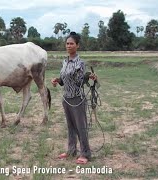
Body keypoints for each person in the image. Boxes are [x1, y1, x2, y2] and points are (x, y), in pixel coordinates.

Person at [51, 32, 97, 164]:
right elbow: (65, 80)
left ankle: (85, 153)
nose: (69, 46)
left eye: (72, 43)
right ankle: (71, 150)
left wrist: (88, 76)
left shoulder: (80, 63)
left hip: (77, 99)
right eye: (67, 43)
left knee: (81, 127)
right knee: (70, 126)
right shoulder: (64, 62)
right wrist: (57, 80)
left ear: (77, 46)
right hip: (66, 98)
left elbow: (79, 81)